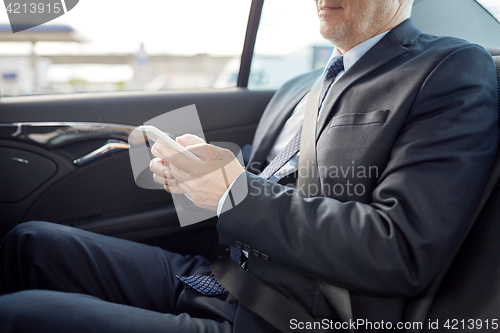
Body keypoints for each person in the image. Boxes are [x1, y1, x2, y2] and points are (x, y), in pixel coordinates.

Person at [0, 0, 498, 332]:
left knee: (21, 314)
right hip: (216, 278)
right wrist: (192, 177)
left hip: (286, 316)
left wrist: (232, 192)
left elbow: (402, 249)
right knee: (32, 242)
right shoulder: (296, 88)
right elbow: (252, 192)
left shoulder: (446, 69)